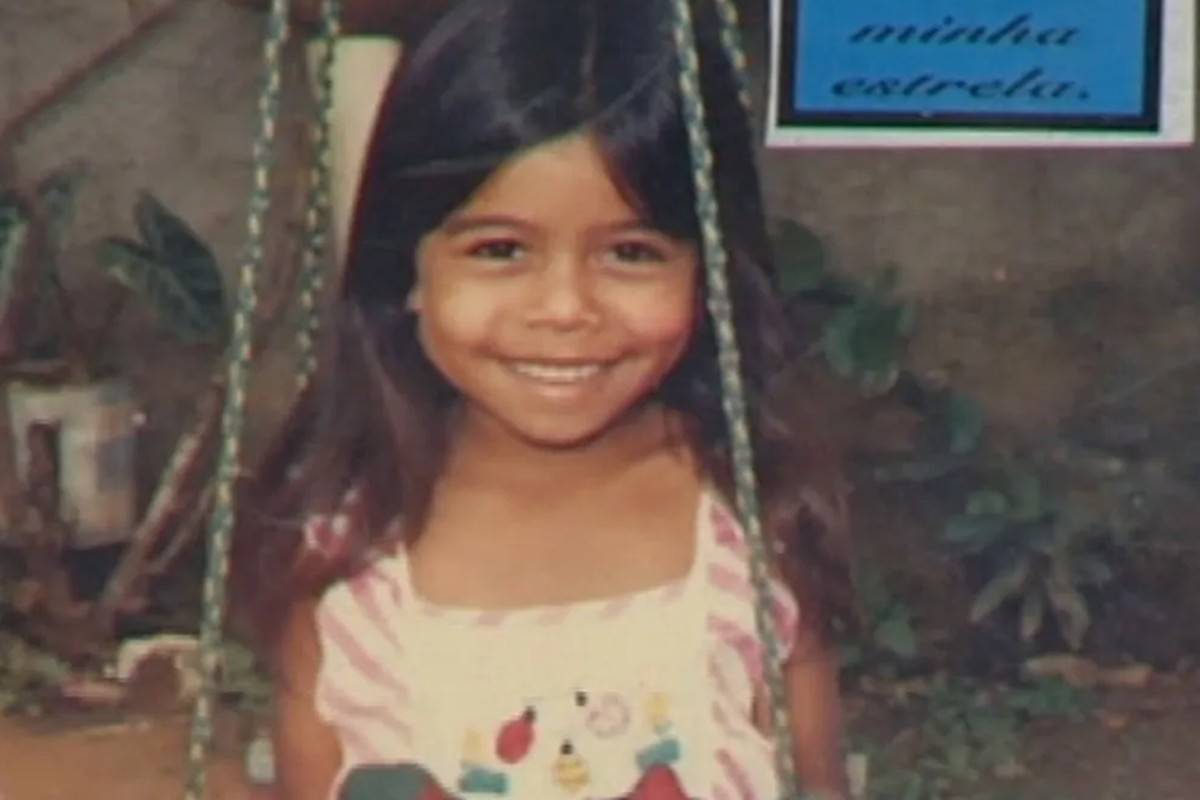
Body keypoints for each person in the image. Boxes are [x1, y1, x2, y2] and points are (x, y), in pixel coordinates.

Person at [235, 0, 858, 797]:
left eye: (631, 253)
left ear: (708, 276)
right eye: (500, 250)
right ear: (406, 271)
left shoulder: (751, 527)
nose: (564, 308)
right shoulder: (345, 561)